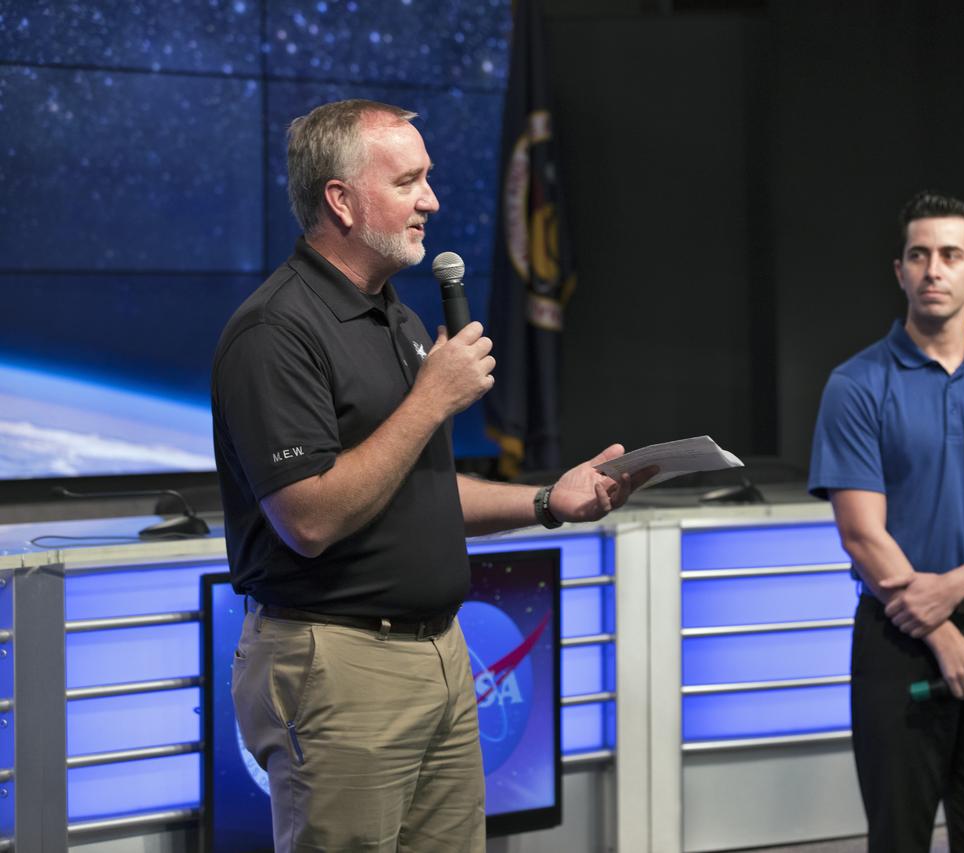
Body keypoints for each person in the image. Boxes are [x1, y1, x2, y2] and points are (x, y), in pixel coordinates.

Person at [211, 99, 645, 852]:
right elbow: (308, 518)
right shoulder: (274, 332)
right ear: (340, 202)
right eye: (409, 180)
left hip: (441, 656)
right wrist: (431, 398)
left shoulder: (399, 321)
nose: (431, 201)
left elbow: (420, 490)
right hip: (338, 664)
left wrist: (548, 499)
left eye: (428, 179)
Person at [808, 191, 964, 852]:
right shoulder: (857, 384)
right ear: (899, 270)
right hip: (898, 639)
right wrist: (944, 633)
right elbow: (862, 533)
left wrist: (950, 591)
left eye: (951, 254)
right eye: (919, 254)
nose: (933, 269)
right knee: (898, 838)